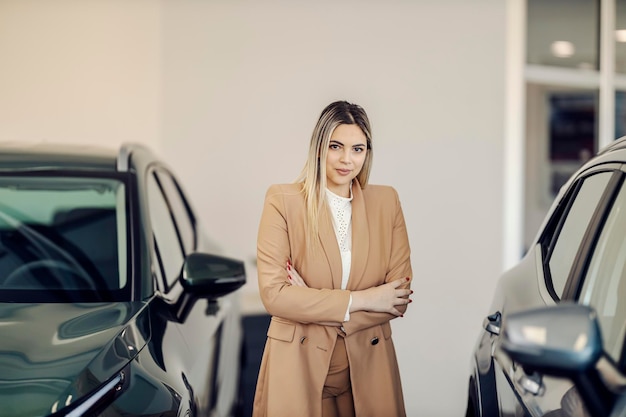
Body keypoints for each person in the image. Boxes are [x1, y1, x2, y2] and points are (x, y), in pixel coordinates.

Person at [253, 100, 413, 417]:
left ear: (367, 153)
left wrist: (308, 300)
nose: (346, 159)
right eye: (335, 146)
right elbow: (275, 296)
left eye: (358, 149)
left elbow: (397, 299)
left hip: (368, 366)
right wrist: (367, 298)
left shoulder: (386, 201)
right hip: (296, 364)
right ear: (318, 148)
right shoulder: (283, 201)